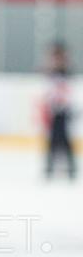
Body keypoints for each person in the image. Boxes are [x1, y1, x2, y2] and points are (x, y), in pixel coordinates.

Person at [41, 42, 76, 181]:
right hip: (54, 110)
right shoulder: (52, 73)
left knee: (65, 139)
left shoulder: (65, 72)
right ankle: (50, 167)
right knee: (52, 140)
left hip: (64, 110)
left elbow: (65, 90)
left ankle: (71, 168)